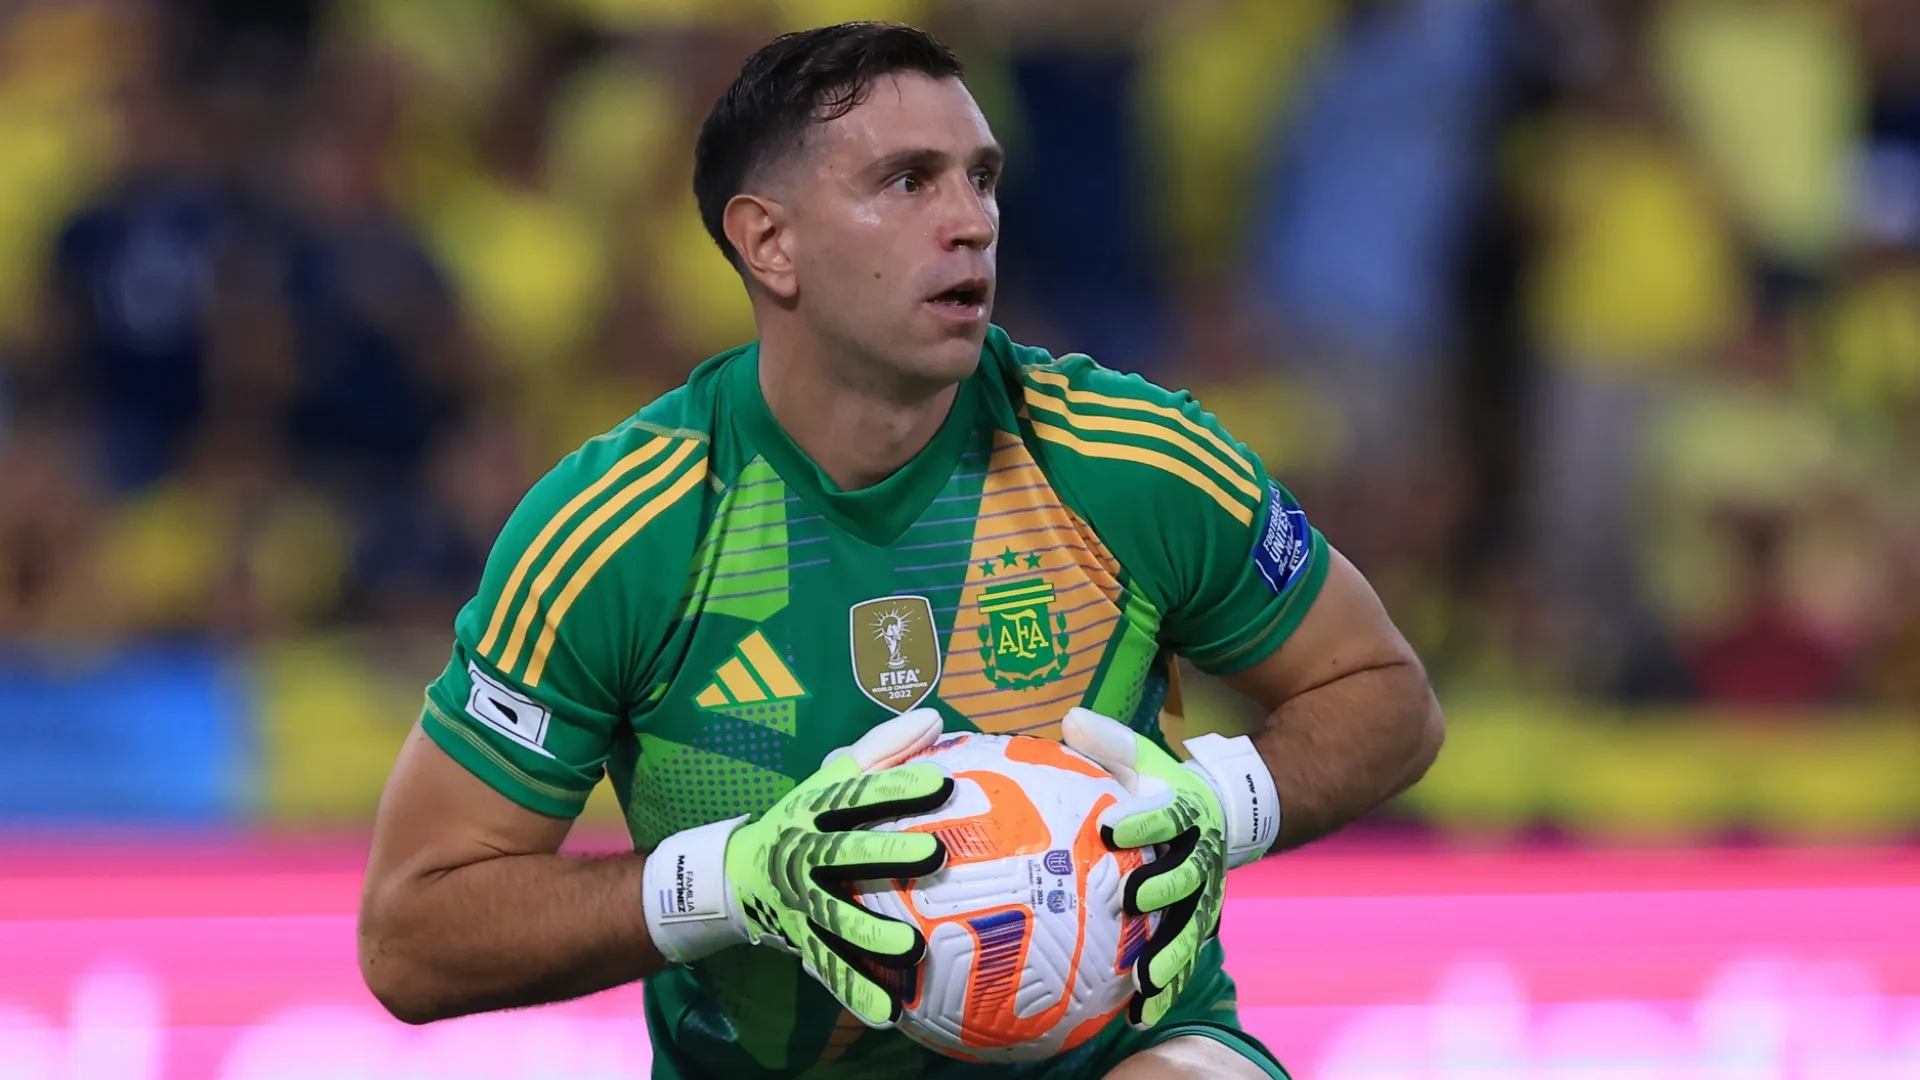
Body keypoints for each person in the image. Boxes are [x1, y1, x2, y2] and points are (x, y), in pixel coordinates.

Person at [357, 22, 1443, 1080]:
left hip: (1126, 1052)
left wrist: (1224, 799)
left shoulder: (1127, 460)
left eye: (984, 177)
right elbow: (412, 933)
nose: (971, 221)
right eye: (909, 182)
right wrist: (735, 882)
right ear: (768, 242)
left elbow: (1386, 697)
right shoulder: (620, 533)